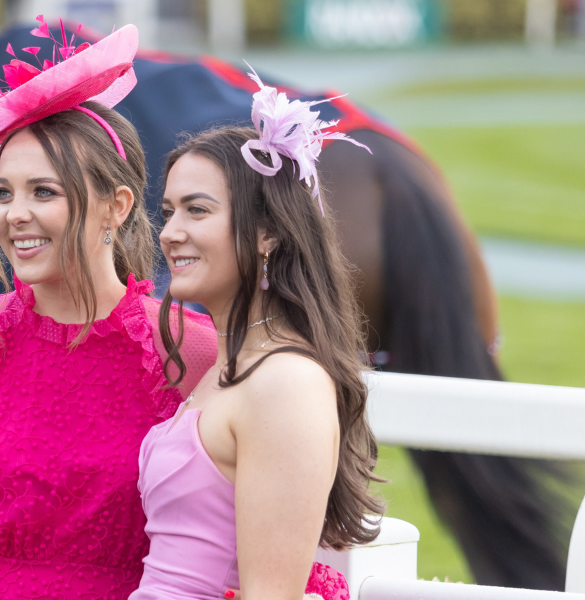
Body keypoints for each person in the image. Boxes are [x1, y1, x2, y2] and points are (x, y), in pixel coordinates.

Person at [0, 21, 216, 600]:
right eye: (4, 192)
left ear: (116, 206)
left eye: (44, 192)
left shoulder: (190, 349)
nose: (13, 214)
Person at [133, 73, 384, 600]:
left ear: (268, 231)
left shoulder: (287, 384)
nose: (170, 231)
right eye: (168, 211)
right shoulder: (223, 370)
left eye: (197, 210)